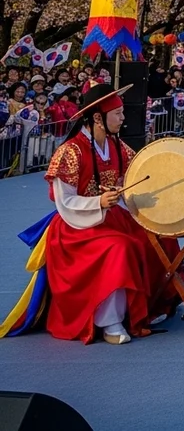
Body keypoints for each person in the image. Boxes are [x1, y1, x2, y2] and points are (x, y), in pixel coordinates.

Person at [8, 84, 173, 344]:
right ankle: (111, 322)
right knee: (119, 248)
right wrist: (98, 201)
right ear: (98, 118)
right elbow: (65, 201)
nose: (123, 118)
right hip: (77, 228)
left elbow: (134, 176)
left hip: (112, 216)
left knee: (160, 237)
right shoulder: (70, 152)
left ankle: (152, 306)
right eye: (117, 114)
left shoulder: (118, 146)